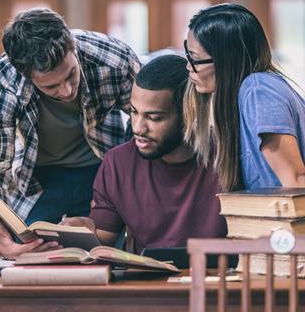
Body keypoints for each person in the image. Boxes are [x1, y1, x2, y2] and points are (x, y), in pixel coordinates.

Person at [0, 8, 140, 259]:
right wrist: (1, 241)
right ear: (26, 75)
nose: (66, 92)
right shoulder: (1, 81)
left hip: (102, 173)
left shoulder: (114, 59)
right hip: (40, 180)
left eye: (71, 75)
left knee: (104, 259)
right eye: (50, 86)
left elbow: (148, 125)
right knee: (30, 254)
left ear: (72, 47)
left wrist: (126, 185)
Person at [62, 55, 227, 252]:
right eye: (134, 112)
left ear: (189, 114)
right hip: (148, 280)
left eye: (154, 117)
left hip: (216, 278)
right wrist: (81, 230)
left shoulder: (228, 155)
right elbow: (101, 243)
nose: (138, 128)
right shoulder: (117, 163)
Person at [182, 3, 305, 192]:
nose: (189, 66)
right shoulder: (255, 89)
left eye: (194, 58)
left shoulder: (258, 90)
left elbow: (297, 181)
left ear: (226, 60)